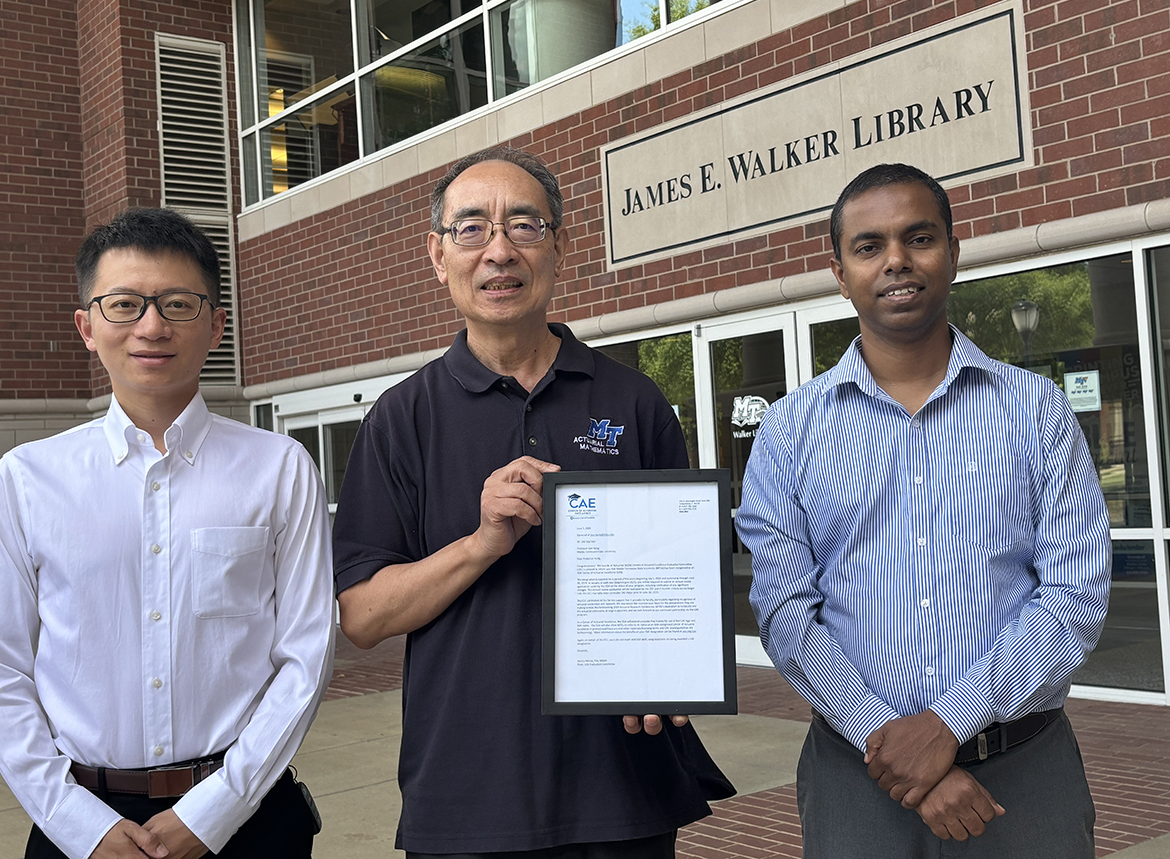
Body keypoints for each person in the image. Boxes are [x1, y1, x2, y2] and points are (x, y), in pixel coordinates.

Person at [332, 146, 731, 859]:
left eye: (524, 225)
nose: (499, 251)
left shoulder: (631, 401)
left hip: (623, 791)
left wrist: (670, 670)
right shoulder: (402, 417)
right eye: (471, 229)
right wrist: (481, 542)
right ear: (437, 253)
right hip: (466, 794)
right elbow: (362, 616)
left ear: (559, 247)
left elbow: (679, 587)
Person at [735, 163, 1111, 858]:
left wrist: (946, 724)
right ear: (840, 273)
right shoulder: (791, 431)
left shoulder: (1035, 410)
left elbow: (1073, 598)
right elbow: (786, 613)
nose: (897, 261)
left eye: (919, 237)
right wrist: (896, 745)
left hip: (1025, 776)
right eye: (869, 245)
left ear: (953, 252)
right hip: (855, 779)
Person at [0, 208, 335, 859]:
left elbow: (306, 656)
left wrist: (216, 810)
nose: (151, 326)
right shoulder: (26, 479)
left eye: (177, 304)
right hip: (81, 824)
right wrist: (75, 821)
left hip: (247, 821)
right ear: (87, 327)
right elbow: (5, 665)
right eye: (124, 304)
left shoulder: (279, 468)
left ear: (215, 326)